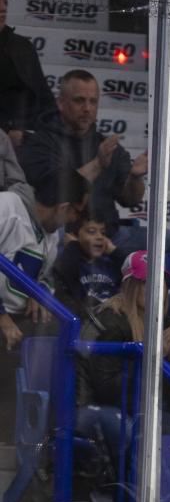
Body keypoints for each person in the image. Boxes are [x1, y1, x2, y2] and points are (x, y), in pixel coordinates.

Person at [75, 251, 170, 502]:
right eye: (145, 282)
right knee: (134, 433)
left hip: (139, 410)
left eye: (160, 282)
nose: (154, 289)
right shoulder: (111, 318)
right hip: (92, 409)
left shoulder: (161, 323)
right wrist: (159, 358)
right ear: (130, 285)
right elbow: (107, 388)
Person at [0, 170, 88, 441]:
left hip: (17, 317)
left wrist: (39, 294)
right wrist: (1, 317)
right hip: (4, 317)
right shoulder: (6, 207)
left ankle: (36, 445)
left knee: (57, 342)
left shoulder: (51, 233)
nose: (75, 220)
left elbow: (42, 276)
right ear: (62, 207)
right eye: (75, 212)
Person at [19, 69, 148, 253]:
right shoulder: (39, 143)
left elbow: (130, 200)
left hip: (109, 236)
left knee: (167, 242)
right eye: (79, 100)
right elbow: (56, 192)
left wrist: (135, 178)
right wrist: (97, 164)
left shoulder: (108, 146)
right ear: (61, 103)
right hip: (62, 237)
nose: (87, 108)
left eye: (93, 101)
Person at [0, 0, 56, 148]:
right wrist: (6, 130)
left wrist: (54, 128)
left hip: (30, 135)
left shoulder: (23, 47)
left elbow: (45, 96)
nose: (3, 8)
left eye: (5, 3)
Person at [54, 208, 125, 319]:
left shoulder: (110, 264)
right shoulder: (71, 263)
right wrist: (73, 246)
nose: (100, 237)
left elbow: (135, 275)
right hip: (87, 323)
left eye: (103, 233)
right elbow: (67, 275)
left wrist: (114, 251)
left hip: (114, 321)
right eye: (91, 231)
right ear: (74, 236)